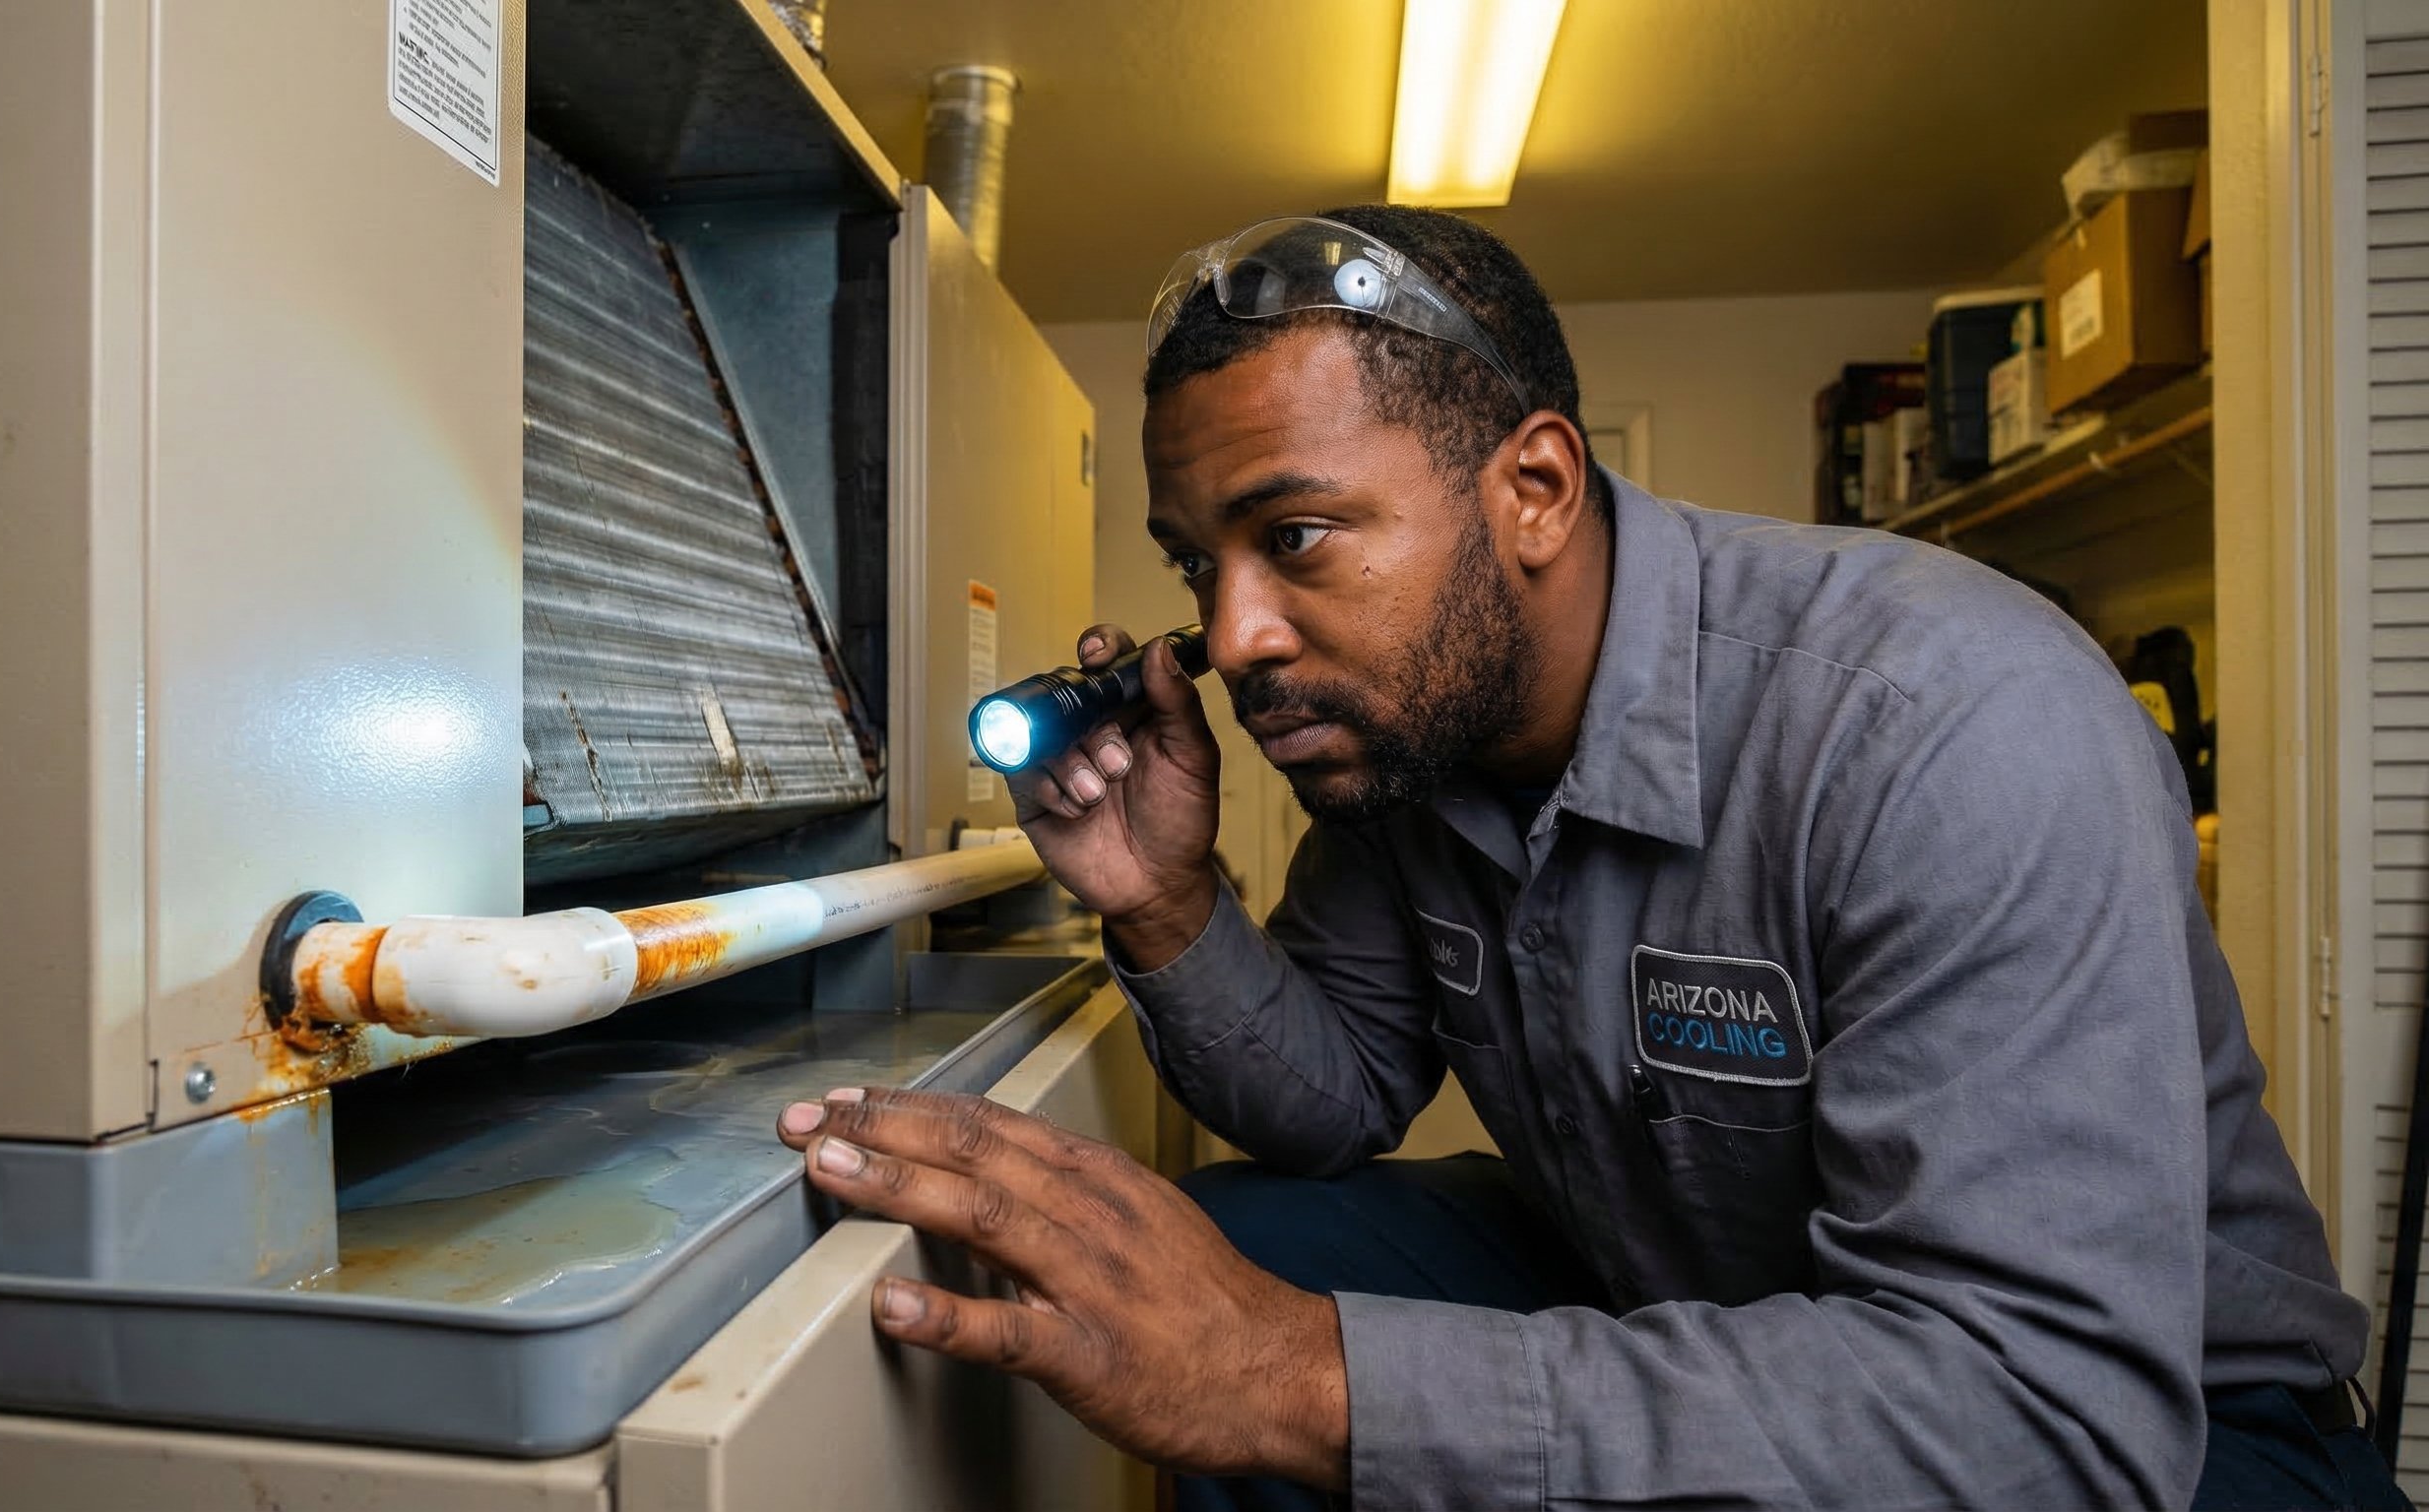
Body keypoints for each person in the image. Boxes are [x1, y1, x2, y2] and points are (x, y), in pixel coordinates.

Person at [771, 205, 2405, 1509]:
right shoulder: (1412, 743)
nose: (1235, 635)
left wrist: (1299, 1382)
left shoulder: (1946, 722)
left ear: (1535, 486)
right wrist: (1166, 899)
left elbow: (2039, 1419)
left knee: (1272, 1351)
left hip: (2188, 1442)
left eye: (1299, 536)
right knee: (1242, 1251)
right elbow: (1333, 1105)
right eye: (1198, 565)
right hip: (1686, 1285)